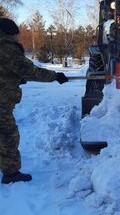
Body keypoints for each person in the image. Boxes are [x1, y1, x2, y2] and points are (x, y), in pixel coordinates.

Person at [0, 17, 68, 184]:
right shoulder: (6, 49)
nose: (18, 37)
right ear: (9, 34)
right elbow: (30, 71)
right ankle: (11, 174)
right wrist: (55, 76)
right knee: (8, 136)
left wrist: (15, 78)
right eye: (16, 34)